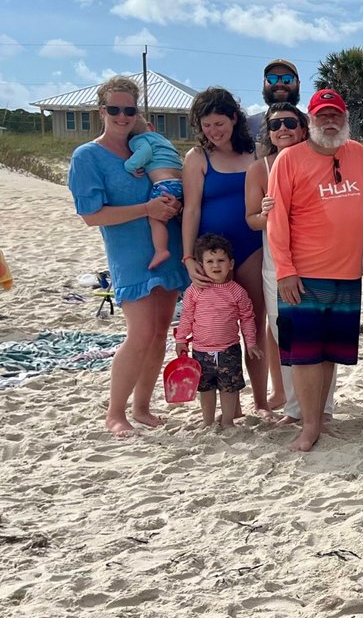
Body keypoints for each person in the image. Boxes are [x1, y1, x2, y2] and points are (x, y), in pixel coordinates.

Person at [67, 75, 189, 437]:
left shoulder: (146, 145)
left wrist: (171, 204)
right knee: (140, 333)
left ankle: (141, 406)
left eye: (129, 109)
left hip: (168, 249)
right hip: (130, 254)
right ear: (101, 111)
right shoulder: (88, 155)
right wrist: (147, 209)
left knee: (159, 334)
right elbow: (92, 215)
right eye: (115, 109)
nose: (122, 116)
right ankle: (115, 412)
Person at [266, 88, 363, 452]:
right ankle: (309, 426)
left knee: (329, 354)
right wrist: (285, 269)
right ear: (310, 120)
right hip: (304, 274)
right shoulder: (289, 160)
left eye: (335, 115)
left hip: (348, 273)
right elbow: (276, 219)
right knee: (306, 355)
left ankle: (321, 419)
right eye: (322, 115)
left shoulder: (359, 154)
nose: (329, 121)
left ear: (345, 119)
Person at [181, 87, 273, 415]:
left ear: (235, 118)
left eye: (219, 124)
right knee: (213, 326)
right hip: (212, 255)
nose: (214, 132)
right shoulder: (196, 158)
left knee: (253, 324)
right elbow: (190, 210)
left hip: (251, 247)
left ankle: (261, 402)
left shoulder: (258, 151)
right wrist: (188, 257)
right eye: (207, 126)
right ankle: (221, 400)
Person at [245, 101, 310, 416]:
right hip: (276, 264)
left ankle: (321, 407)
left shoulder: (317, 159)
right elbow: (251, 219)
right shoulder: (260, 168)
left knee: (316, 335)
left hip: (316, 261)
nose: (282, 129)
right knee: (285, 334)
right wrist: (266, 214)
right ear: (268, 132)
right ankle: (295, 406)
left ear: (301, 127)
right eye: (275, 125)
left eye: (289, 123)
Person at [174, 232, 261, 429]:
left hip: (228, 350)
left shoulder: (237, 291)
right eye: (210, 261)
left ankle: (228, 421)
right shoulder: (194, 291)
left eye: (221, 260)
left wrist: (251, 343)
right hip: (200, 350)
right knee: (206, 388)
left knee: (229, 388)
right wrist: (181, 340)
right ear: (201, 265)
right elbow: (186, 317)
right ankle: (207, 421)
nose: (215, 265)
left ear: (230, 264)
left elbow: (247, 318)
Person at [121, 123, 184, 270]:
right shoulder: (162, 139)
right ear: (150, 126)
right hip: (181, 182)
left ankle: (161, 250)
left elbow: (145, 152)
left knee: (155, 219)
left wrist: (129, 166)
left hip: (164, 184)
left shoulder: (138, 139)